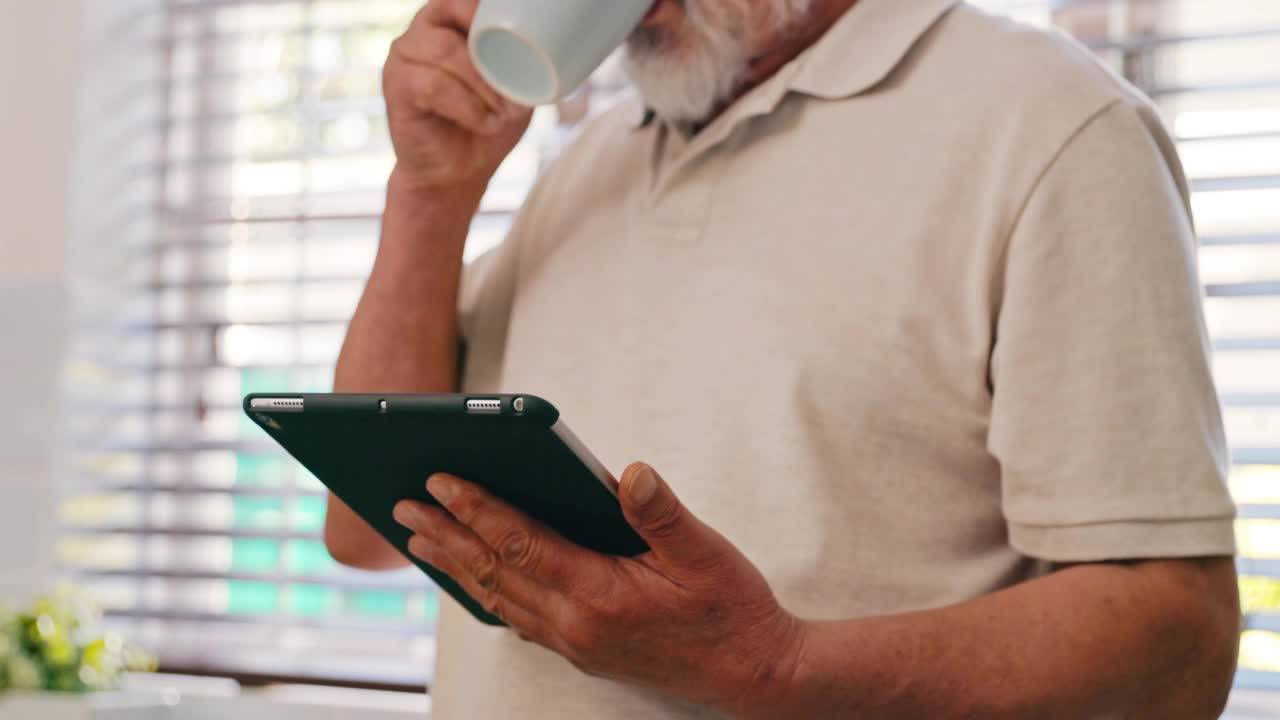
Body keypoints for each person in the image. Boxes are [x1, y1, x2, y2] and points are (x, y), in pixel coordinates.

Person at [326, 0, 1242, 716]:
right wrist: (430, 192)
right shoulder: (591, 155)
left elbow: (1180, 646)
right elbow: (365, 533)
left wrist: (771, 665)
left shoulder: (1053, 124)